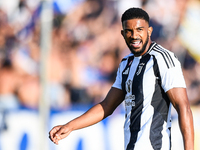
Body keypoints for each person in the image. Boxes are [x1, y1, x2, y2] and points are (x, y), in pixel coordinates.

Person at [49, 7, 194, 150]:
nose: (134, 35)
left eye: (139, 30)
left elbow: (184, 108)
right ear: (123, 34)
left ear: (149, 31)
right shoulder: (126, 64)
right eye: (129, 31)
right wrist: (70, 126)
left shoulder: (163, 59)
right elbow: (107, 106)